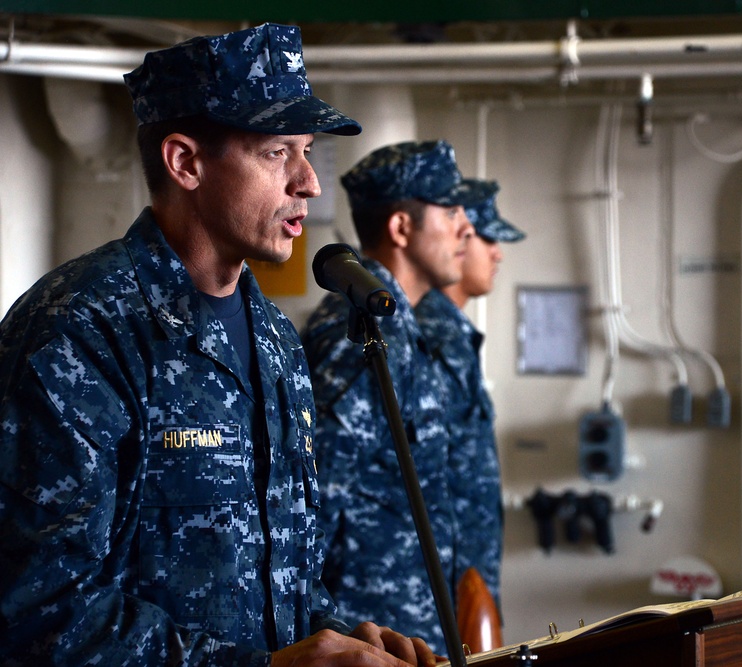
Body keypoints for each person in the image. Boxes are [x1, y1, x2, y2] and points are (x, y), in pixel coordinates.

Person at [0, 24, 436, 667]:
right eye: (277, 153)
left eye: (307, 150)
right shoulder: (80, 331)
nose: (310, 183)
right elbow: (38, 615)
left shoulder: (274, 338)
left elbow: (276, 574)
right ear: (186, 163)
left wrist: (341, 635)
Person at [302, 140, 490, 653]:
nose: (466, 229)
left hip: (410, 628)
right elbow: (311, 502)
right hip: (367, 633)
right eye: (450, 211)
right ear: (401, 228)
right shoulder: (360, 339)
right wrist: (326, 638)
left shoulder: (401, 332)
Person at [414, 183, 525, 623]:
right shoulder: (427, 333)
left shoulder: (453, 333)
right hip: (435, 583)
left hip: (464, 572)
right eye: (489, 238)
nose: (497, 253)